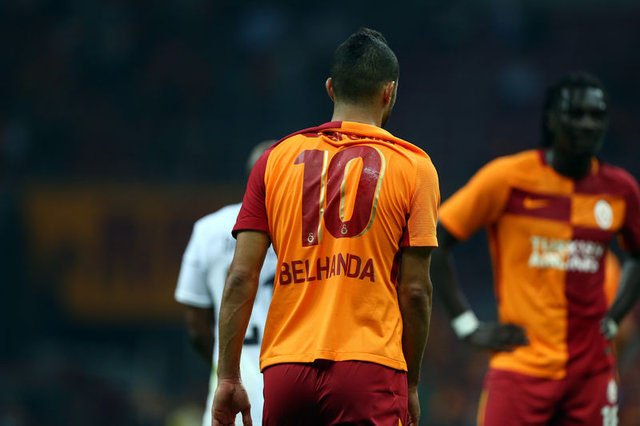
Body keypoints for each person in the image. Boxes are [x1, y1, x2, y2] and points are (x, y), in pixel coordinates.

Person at [211, 28, 440, 426]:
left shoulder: (274, 159)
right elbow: (416, 291)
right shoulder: (414, 167)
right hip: (370, 369)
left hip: (286, 369)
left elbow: (241, 277)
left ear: (331, 88)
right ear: (389, 92)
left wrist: (228, 377)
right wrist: (413, 383)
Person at [431, 71, 640, 425]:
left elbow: (636, 254)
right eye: (576, 114)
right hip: (521, 369)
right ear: (551, 119)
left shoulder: (620, 190)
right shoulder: (508, 178)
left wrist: (615, 317)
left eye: (596, 115)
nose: (587, 124)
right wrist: (468, 326)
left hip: (591, 376)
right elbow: (435, 242)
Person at [174, 141, 278, 426]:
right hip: (292, 387)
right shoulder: (309, 229)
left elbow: (196, 327)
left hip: (232, 398)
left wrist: (225, 368)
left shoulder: (207, 230)